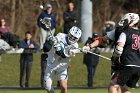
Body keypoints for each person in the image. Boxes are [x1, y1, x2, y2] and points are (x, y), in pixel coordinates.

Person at [81, 13, 140, 93]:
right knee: (123, 89)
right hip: (137, 67)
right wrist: (89, 46)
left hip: (125, 65)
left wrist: (115, 59)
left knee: (112, 87)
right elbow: (102, 39)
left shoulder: (124, 32)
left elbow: (118, 49)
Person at [44, 26, 82, 93]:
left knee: (64, 87)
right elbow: (51, 42)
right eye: (71, 35)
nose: (72, 38)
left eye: (74, 38)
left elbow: (63, 55)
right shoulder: (60, 35)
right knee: (47, 87)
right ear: (69, 33)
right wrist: (50, 40)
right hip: (51, 65)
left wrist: (59, 48)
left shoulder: (75, 46)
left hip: (62, 67)